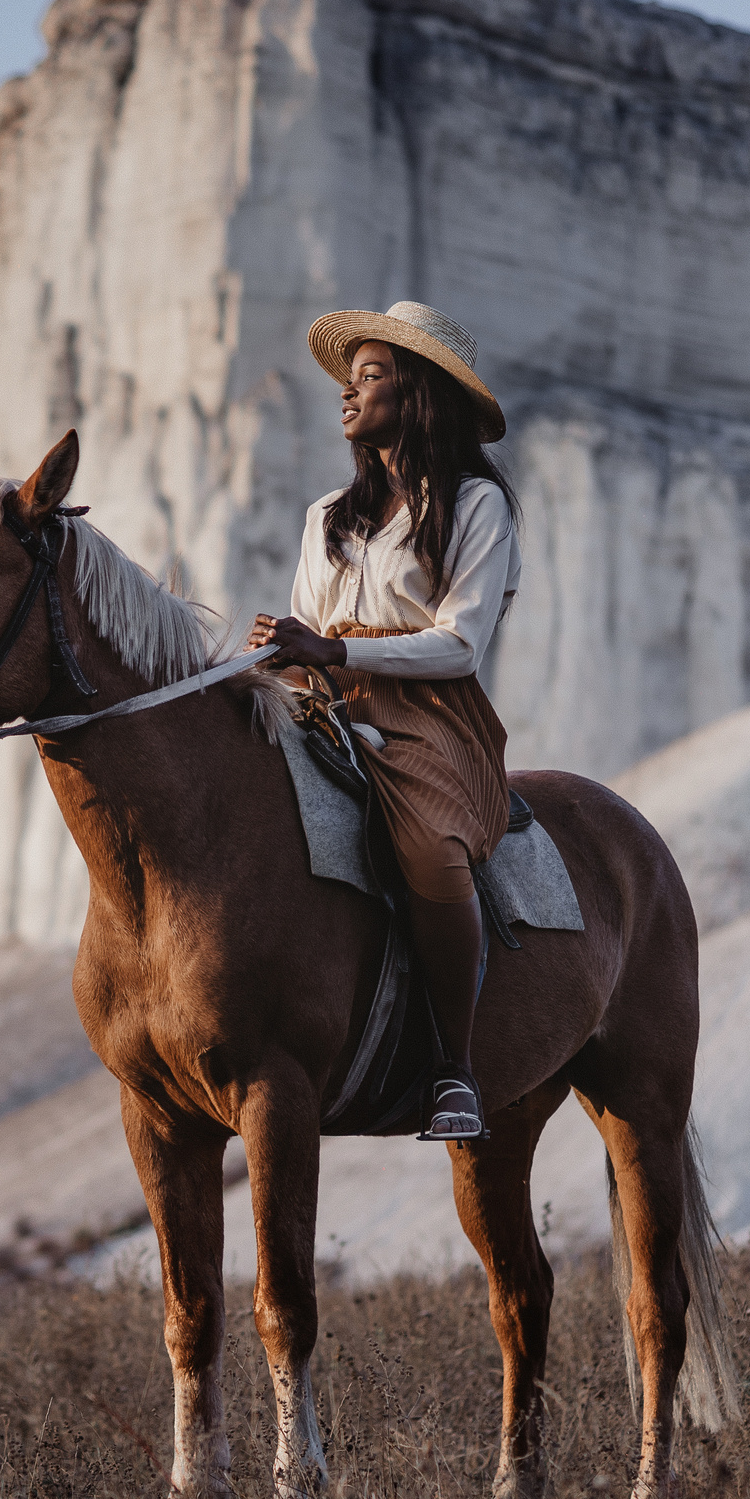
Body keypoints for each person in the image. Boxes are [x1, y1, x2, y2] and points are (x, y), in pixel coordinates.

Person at [248, 301, 521, 1143]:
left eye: (369, 376)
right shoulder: (326, 514)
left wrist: (334, 648)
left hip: (429, 714)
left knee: (431, 848)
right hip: (321, 698)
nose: (348, 392)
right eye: (349, 377)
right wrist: (280, 653)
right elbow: (305, 623)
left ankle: (455, 1069)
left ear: (420, 394)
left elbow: (460, 646)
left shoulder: (477, 506)